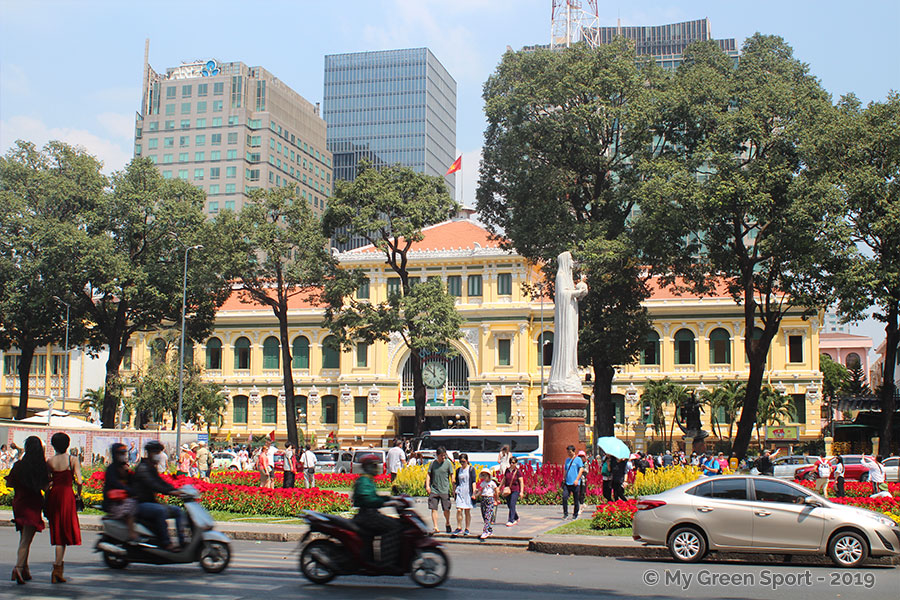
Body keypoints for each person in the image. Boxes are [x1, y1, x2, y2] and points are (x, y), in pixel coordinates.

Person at [6, 436, 48, 585]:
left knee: (24, 536)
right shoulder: (41, 467)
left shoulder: (18, 465)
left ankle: (25, 568)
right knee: (26, 540)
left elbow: (9, 484)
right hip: (33, 503)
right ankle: (18, 568)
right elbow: (45, 487)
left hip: (19, 502)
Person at [133, 441, 187, 552]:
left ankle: (182, 542)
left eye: (159, 452)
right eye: (156, 452)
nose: (159, 455)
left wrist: (175, 489)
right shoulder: (143, 468)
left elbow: (160, 482)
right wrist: (170, 492)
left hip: (150, 502)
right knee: (160, 511)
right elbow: (154, 484)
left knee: (177, 510)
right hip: (140, 504)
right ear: (149, 453)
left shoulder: (151, 467)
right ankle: (166, 543)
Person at [351, 453, 401, 567]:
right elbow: (369, 499)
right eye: (373, 466)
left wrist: (390, 498)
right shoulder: (364, 480)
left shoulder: (368, 480)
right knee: (393, 526)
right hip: (367, 515)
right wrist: (384, 502)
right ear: (368, 467)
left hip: (370, 513)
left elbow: (375, 497)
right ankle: (386, 560)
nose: (376, 468)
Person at [45, 433, 82, 583]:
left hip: (54, 496)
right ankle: (57, 568)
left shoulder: (50, 461)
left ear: (53, 445)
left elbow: (47, 483)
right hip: (67, 495)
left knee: (57, 531)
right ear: (67, 444)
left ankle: (57, 568)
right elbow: (79, 480)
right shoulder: (72, 460)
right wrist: (78, 495)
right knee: (65, 531)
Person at [102, 443, 137, 541]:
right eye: (120, 453)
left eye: (123, 453)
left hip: (124, 498)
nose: (122, 456)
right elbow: (116, 484)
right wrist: (129, 490)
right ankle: (132, 533)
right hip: (114, 502)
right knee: (131, 505)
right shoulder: (111, 469)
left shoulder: (124, 468)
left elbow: (132, 481)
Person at [425, 447, 454, 534]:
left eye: (444, 455)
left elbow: (452, 475)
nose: (443, 457)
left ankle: (447, 523)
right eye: (441, 456)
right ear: (437, 455)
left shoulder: (448, 463)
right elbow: (428, 474)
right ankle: (435, 526)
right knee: (434, 508)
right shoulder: (433, 464)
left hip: (444, 489)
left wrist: (453, 487)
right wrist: (427, 486)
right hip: (434, 489)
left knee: (446, 509)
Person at [453, 453, 476, 536]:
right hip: (460, 491)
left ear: (467, 461)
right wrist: (453, 491)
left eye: (463, 461)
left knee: (467, 511)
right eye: (460, 462)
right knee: (459, 509)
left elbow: (473, 481)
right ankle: (459, 527)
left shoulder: (471, 469)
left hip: (468, 491)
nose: (462, 463)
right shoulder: (458, 470)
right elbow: (456, 482)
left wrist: (474, 492)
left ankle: (467, 528)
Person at [474, 469, 500, 540]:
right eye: (483, 475)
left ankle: (485, 531)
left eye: (485, 475)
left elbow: (496, 491)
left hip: (490, 499)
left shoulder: (492, 483)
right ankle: (489, 530)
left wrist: (496, 499)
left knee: (488, 515)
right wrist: (476, 496)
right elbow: (480, 491)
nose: (484, 477)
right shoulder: (483, 483)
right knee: (484, 514)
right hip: (483, 499)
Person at [561, 445, 584, 520]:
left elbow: (581, 470)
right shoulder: (567, 460)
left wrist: (577, 479)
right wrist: (564, 478)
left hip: (575, 483)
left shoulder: (578, 460)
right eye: (567, 452)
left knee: (576, 499)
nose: (568, 453)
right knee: (564, 497)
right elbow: (565, 470)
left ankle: (575, 514)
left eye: (570, 452)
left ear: (573, 451)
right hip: (567, 483)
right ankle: (565, 513)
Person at [501, 456, 525, 527]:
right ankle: (516, 517)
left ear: (516, 463)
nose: (512, 464)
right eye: (511, 462)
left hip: (515, 490)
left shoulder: (518, 472)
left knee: (512, 504)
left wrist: (521, 492)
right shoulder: (507, 470)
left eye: (513, 463)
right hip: (508, 490)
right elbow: (504, 479)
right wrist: (499, 487)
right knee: (509, 505)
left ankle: (511, 520)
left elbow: (521, 482)